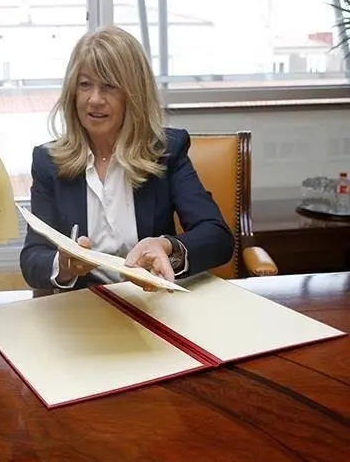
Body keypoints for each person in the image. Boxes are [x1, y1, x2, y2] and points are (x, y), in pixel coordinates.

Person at [20, 25, 233, 291]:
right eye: (85, 85)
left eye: (109, 87)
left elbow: (218, 237)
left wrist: (165, 246)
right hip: (85, 307)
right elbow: (32, 258)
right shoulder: (48, 162)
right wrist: (62, 265)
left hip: (151, 303)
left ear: (134, 95)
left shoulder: (166, 151)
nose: (94, 100)